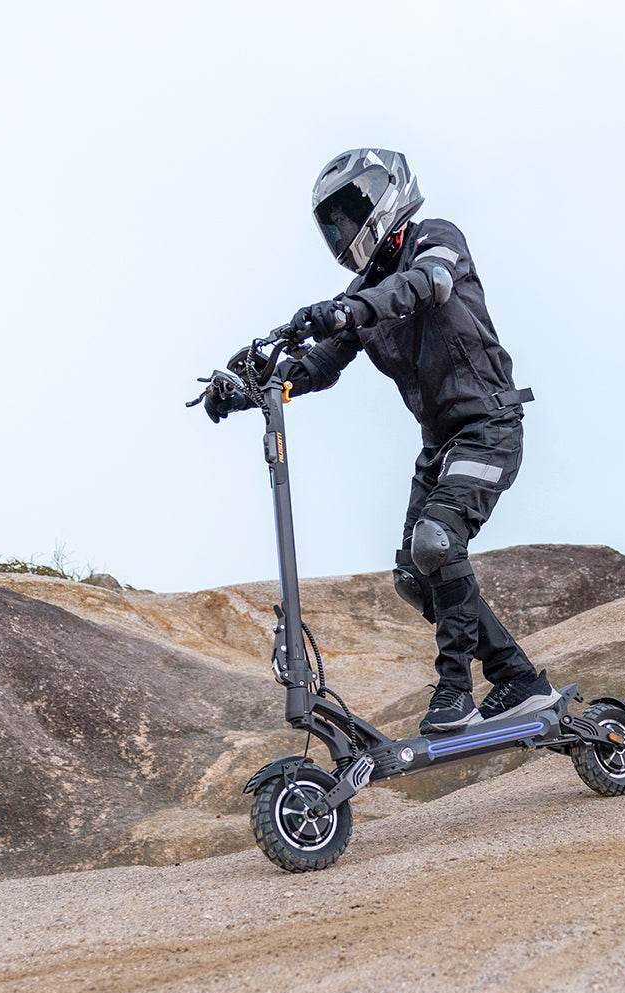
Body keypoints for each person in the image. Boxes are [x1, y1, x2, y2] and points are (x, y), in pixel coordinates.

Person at [206, 148, 559, 734]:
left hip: (489, 427)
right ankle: (518, 677)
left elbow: (427, 285)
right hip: (439, 445)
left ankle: (456, 691)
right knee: (414, 577)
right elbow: (319, 365)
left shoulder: (436, 241)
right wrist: (249, 389)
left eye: (351, 211)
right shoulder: (363, 292)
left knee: (437, 541)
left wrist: (345, 311)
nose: (345, 230)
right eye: (334, 223)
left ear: (385, 193)